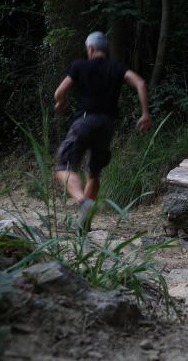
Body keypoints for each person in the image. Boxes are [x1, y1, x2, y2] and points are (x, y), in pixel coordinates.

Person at [52, 31, 152, 230]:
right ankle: (85, 223)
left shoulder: (80, 65)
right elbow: (140, 82)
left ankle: (83, 202)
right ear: (105, 50)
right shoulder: (116, 67)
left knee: (63, 167)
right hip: (107, 126)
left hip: (84, 121)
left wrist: (61, 103)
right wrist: (145, 113)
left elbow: (59, 92)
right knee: (94, 173)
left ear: (90, 48)